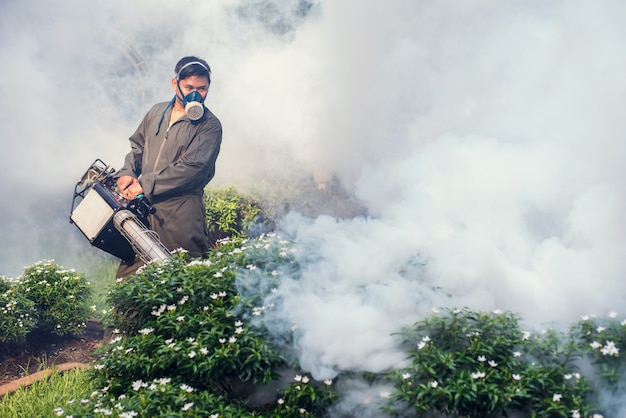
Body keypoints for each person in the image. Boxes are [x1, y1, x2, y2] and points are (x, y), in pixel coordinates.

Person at [114, 56, 222, 278]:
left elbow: (193, 169)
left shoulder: (209, 126)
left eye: (202, 89)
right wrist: (127, 173)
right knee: (131, 279)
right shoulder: (156, 112)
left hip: (180, 216)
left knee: (183, 279)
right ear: (175, 84)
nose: (196, 94)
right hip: (143, 211)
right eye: (189, 87)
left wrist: (144, 184)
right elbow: (138, 147)